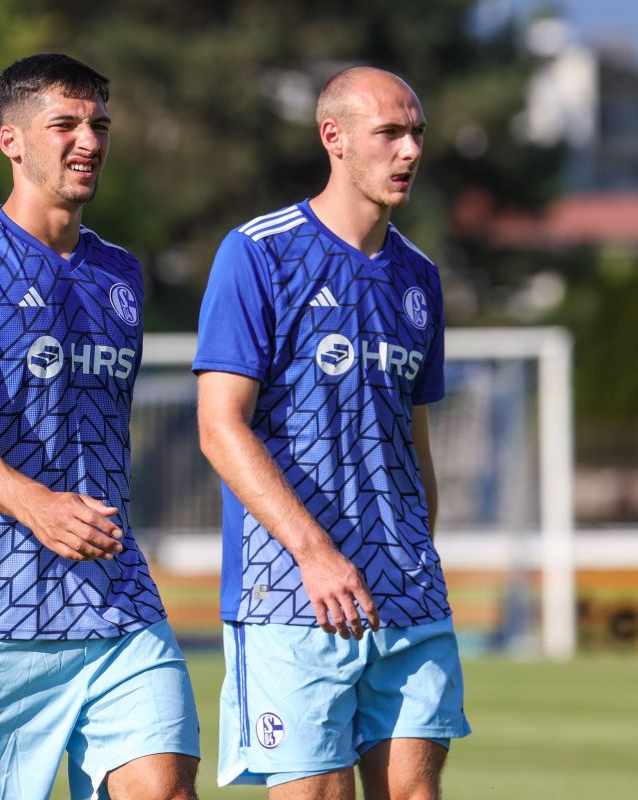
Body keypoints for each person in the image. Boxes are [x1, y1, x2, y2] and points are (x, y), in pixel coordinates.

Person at [0, 53, 199, 800]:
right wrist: (40, 506)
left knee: (165, 788)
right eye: (65, 124)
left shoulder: (120, 273)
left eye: (100, 125)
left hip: (117, 598)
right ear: (13, 140)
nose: (89, 141)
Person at [193, 67, 471, 799]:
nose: (410, 151)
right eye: (390, 133)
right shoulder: (258, 253)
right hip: (293, 595)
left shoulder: (420, 278)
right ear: (334, 137)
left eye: (417, 134)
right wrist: (315, 554)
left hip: (406, 595)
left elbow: (414, 442)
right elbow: (220, 427)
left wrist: (417, 555)